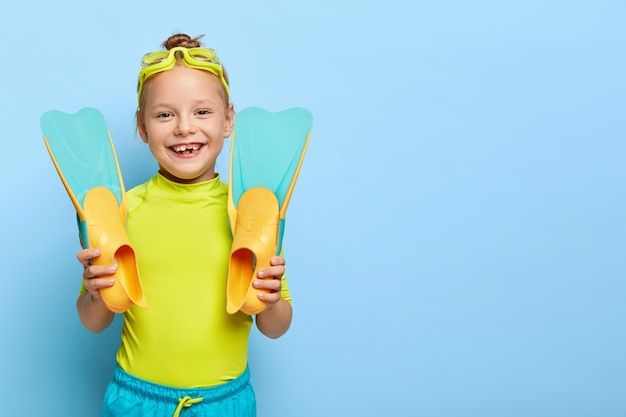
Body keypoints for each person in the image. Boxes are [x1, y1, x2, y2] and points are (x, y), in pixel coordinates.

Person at [76, 33, 293, 417]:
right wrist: (95, 295)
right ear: (142, 128)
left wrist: (272, 300)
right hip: (137, 402)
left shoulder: (252, 213)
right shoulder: (122, 211)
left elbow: (275, 327)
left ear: (228, 121)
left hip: (223, 403)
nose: (183, 128)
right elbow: (94, 322)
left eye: (202, 112)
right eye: (164, 114)